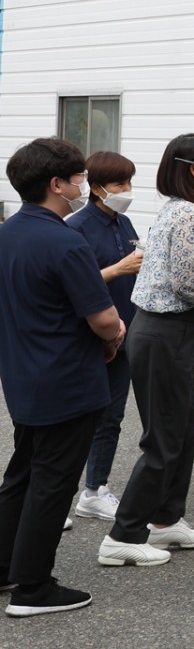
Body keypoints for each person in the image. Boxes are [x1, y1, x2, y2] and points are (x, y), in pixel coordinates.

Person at [99, 135, 194, 568]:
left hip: (170, 332)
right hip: (161, 332)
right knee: (164, 438)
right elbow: (184, 281)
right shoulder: (186, 214)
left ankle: (166, 520)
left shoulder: (190, 210)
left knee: (184, 430)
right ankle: (122, 536)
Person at [0, 138, 125, 616]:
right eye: (78, 180)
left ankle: (5, 568)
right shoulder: (67, 241)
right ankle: (33, 588)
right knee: (53, 484)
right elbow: (103, 319)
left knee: (23, 475)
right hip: (67, 379)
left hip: (23, 375)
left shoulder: (8, 233)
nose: (82, 188)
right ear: (57, 184)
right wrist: (115, 335)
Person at [66, 151, 144, 522]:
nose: (127, 190)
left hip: (125, 331)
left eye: (129, 182)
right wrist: (118, 269)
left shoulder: (124, 222)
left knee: (112, 416)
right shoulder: (76, 227)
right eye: (119, 184)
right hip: (87, 336)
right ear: (97, 187)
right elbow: (70, 285)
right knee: (74, 419)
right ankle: (50, 498)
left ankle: (95, 489)